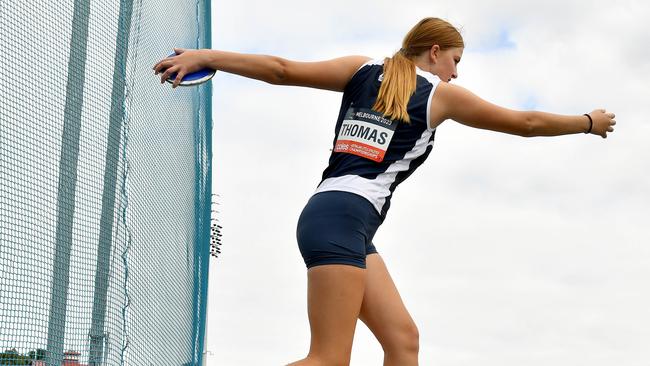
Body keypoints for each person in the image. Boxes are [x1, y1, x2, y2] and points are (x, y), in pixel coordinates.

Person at [153, 17, 616, 366]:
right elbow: (527, 123)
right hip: (340, 219)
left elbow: (280, 69)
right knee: (328, 360)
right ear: (435, 52)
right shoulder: (439, 94)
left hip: (341, 221)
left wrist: (208, 56)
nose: (455, 73)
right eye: (455, 60)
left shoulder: (362, 68)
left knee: (402, 340)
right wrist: (587, 123)